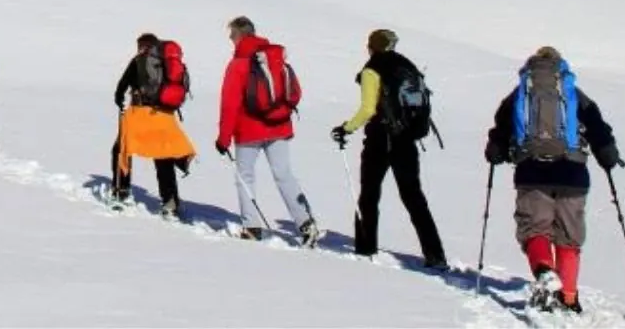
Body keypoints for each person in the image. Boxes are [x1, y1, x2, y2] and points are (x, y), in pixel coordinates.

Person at [483, 46, 622, 315]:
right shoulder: (573, 94)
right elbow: (598, 128)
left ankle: (545, 271)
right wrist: (607, 155)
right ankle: (568, 297)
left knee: (535, 229)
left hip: (531, 172)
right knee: (569, 237)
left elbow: (500, 129)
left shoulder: (520, 94)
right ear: (561, 67)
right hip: (572, 173)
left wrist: (496, 150)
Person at [330, 28, 447, 269]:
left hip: (380, 139)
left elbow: (368, 109)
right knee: (414, 197)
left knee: (369, 194)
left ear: (372, 46)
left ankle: (365, 247)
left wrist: (346, 128)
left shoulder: (372, 69)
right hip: (407, 140)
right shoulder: (407, 66)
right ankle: (435, 254)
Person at [216, 16, 319, 245]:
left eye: (232, 35)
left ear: (240, 35)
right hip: (279, 126)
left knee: (245, 176)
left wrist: (223, 138)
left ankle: (252, 227)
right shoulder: (274, 57)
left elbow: (229, 104)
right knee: (284, 174)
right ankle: (306, 223)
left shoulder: (238, 64)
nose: (231, 40)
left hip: (248, 131)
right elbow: (295, 91)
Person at [111, 33, 196, 219]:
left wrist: (119, 100)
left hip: (140, 114)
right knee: (163, 158)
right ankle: (170, 202)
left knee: (122, 150)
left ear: (142, 46)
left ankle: (121, 192)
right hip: (164, 116)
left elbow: (121, 86)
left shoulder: (139, 60)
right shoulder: (167, 62)